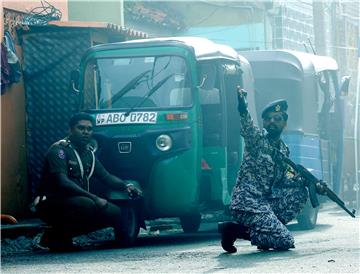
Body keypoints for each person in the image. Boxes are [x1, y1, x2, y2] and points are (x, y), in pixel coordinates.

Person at [219, 87, 318, 253]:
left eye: (277, 118)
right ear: (264, 123)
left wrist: (309, 182)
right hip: (246, 203)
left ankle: (263, 232)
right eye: (268, 119)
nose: (272, 122)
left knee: (301, 192)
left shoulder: (283, 150)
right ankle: (234, 230)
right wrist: (243, 108)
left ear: (284, 123)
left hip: (265, 203)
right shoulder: (256, 140)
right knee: (285, 241)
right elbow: (247, 127)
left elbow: (284, 181)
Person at [35, 112, 142, 251]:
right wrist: (94, 197)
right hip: (50, 202)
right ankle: (54, 236)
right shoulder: (59, 150)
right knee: (87, 204)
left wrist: (126, 186)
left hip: (76, 202)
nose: (86, 132)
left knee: (114, 212)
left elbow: (106, 177)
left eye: (89, 129)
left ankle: (58, 236)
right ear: (70, 130)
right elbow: (63, 182)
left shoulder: (88, 153)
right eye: (81, 128)